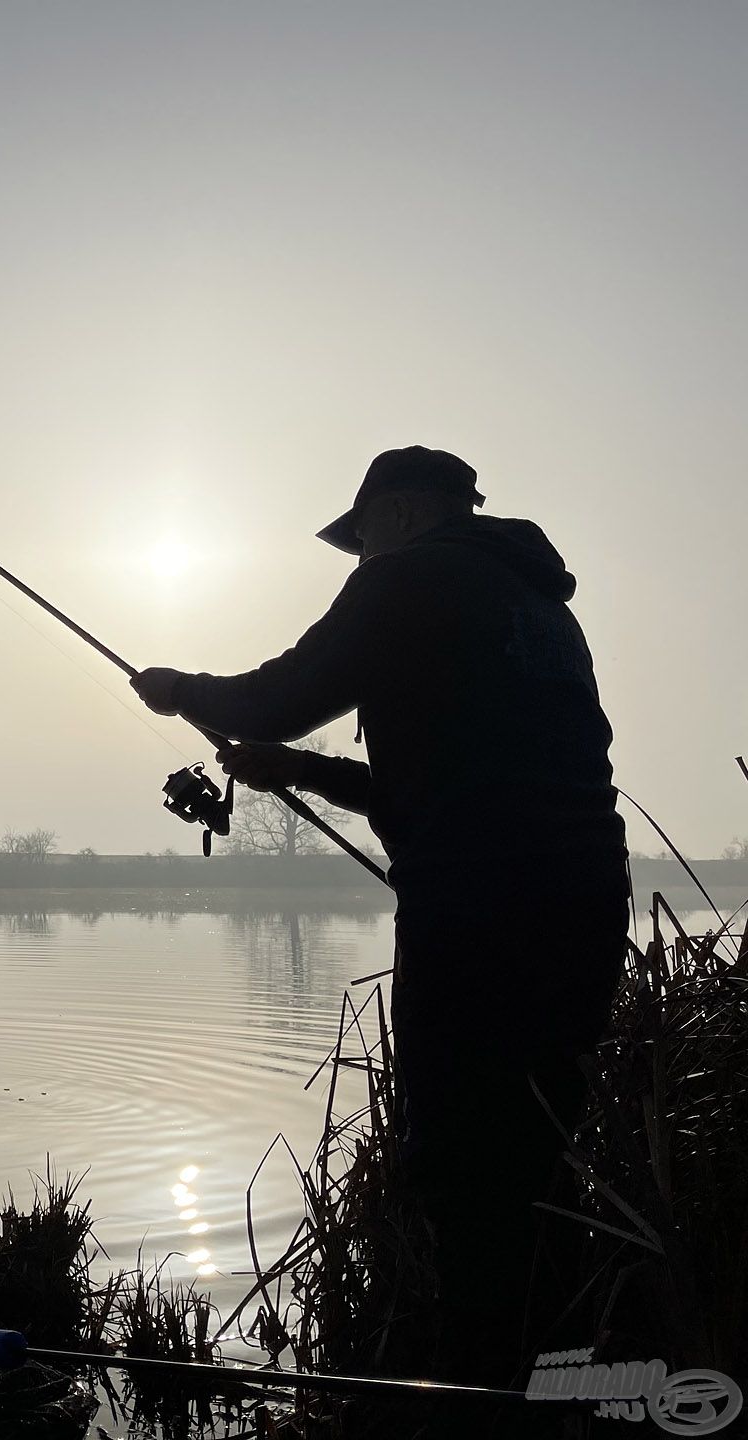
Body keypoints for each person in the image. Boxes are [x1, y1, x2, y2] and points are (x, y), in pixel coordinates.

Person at [130, 446, 629, 1389]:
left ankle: (476, 1386)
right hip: (583, 897)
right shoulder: (541, 608)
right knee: (538, 1142)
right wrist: (301, 772)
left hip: (479, 906)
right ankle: (558, 1371)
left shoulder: (409, 580)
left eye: (360, 540)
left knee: (455, 1152)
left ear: (397, 515)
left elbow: (277, 698)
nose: (358, 560)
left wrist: (181, 690)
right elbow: (450, 777)